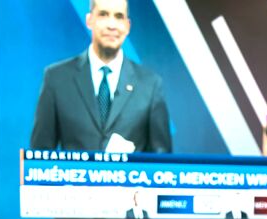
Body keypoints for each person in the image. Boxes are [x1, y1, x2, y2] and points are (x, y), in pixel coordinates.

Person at [30, 0, 171, 155]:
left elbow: (161, 163)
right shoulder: (56, 78)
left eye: (119, 16)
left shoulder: (150, 85)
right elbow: (39, 158)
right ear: (89, 20)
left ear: (128, 26)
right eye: (103, 14)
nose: (112, 25)